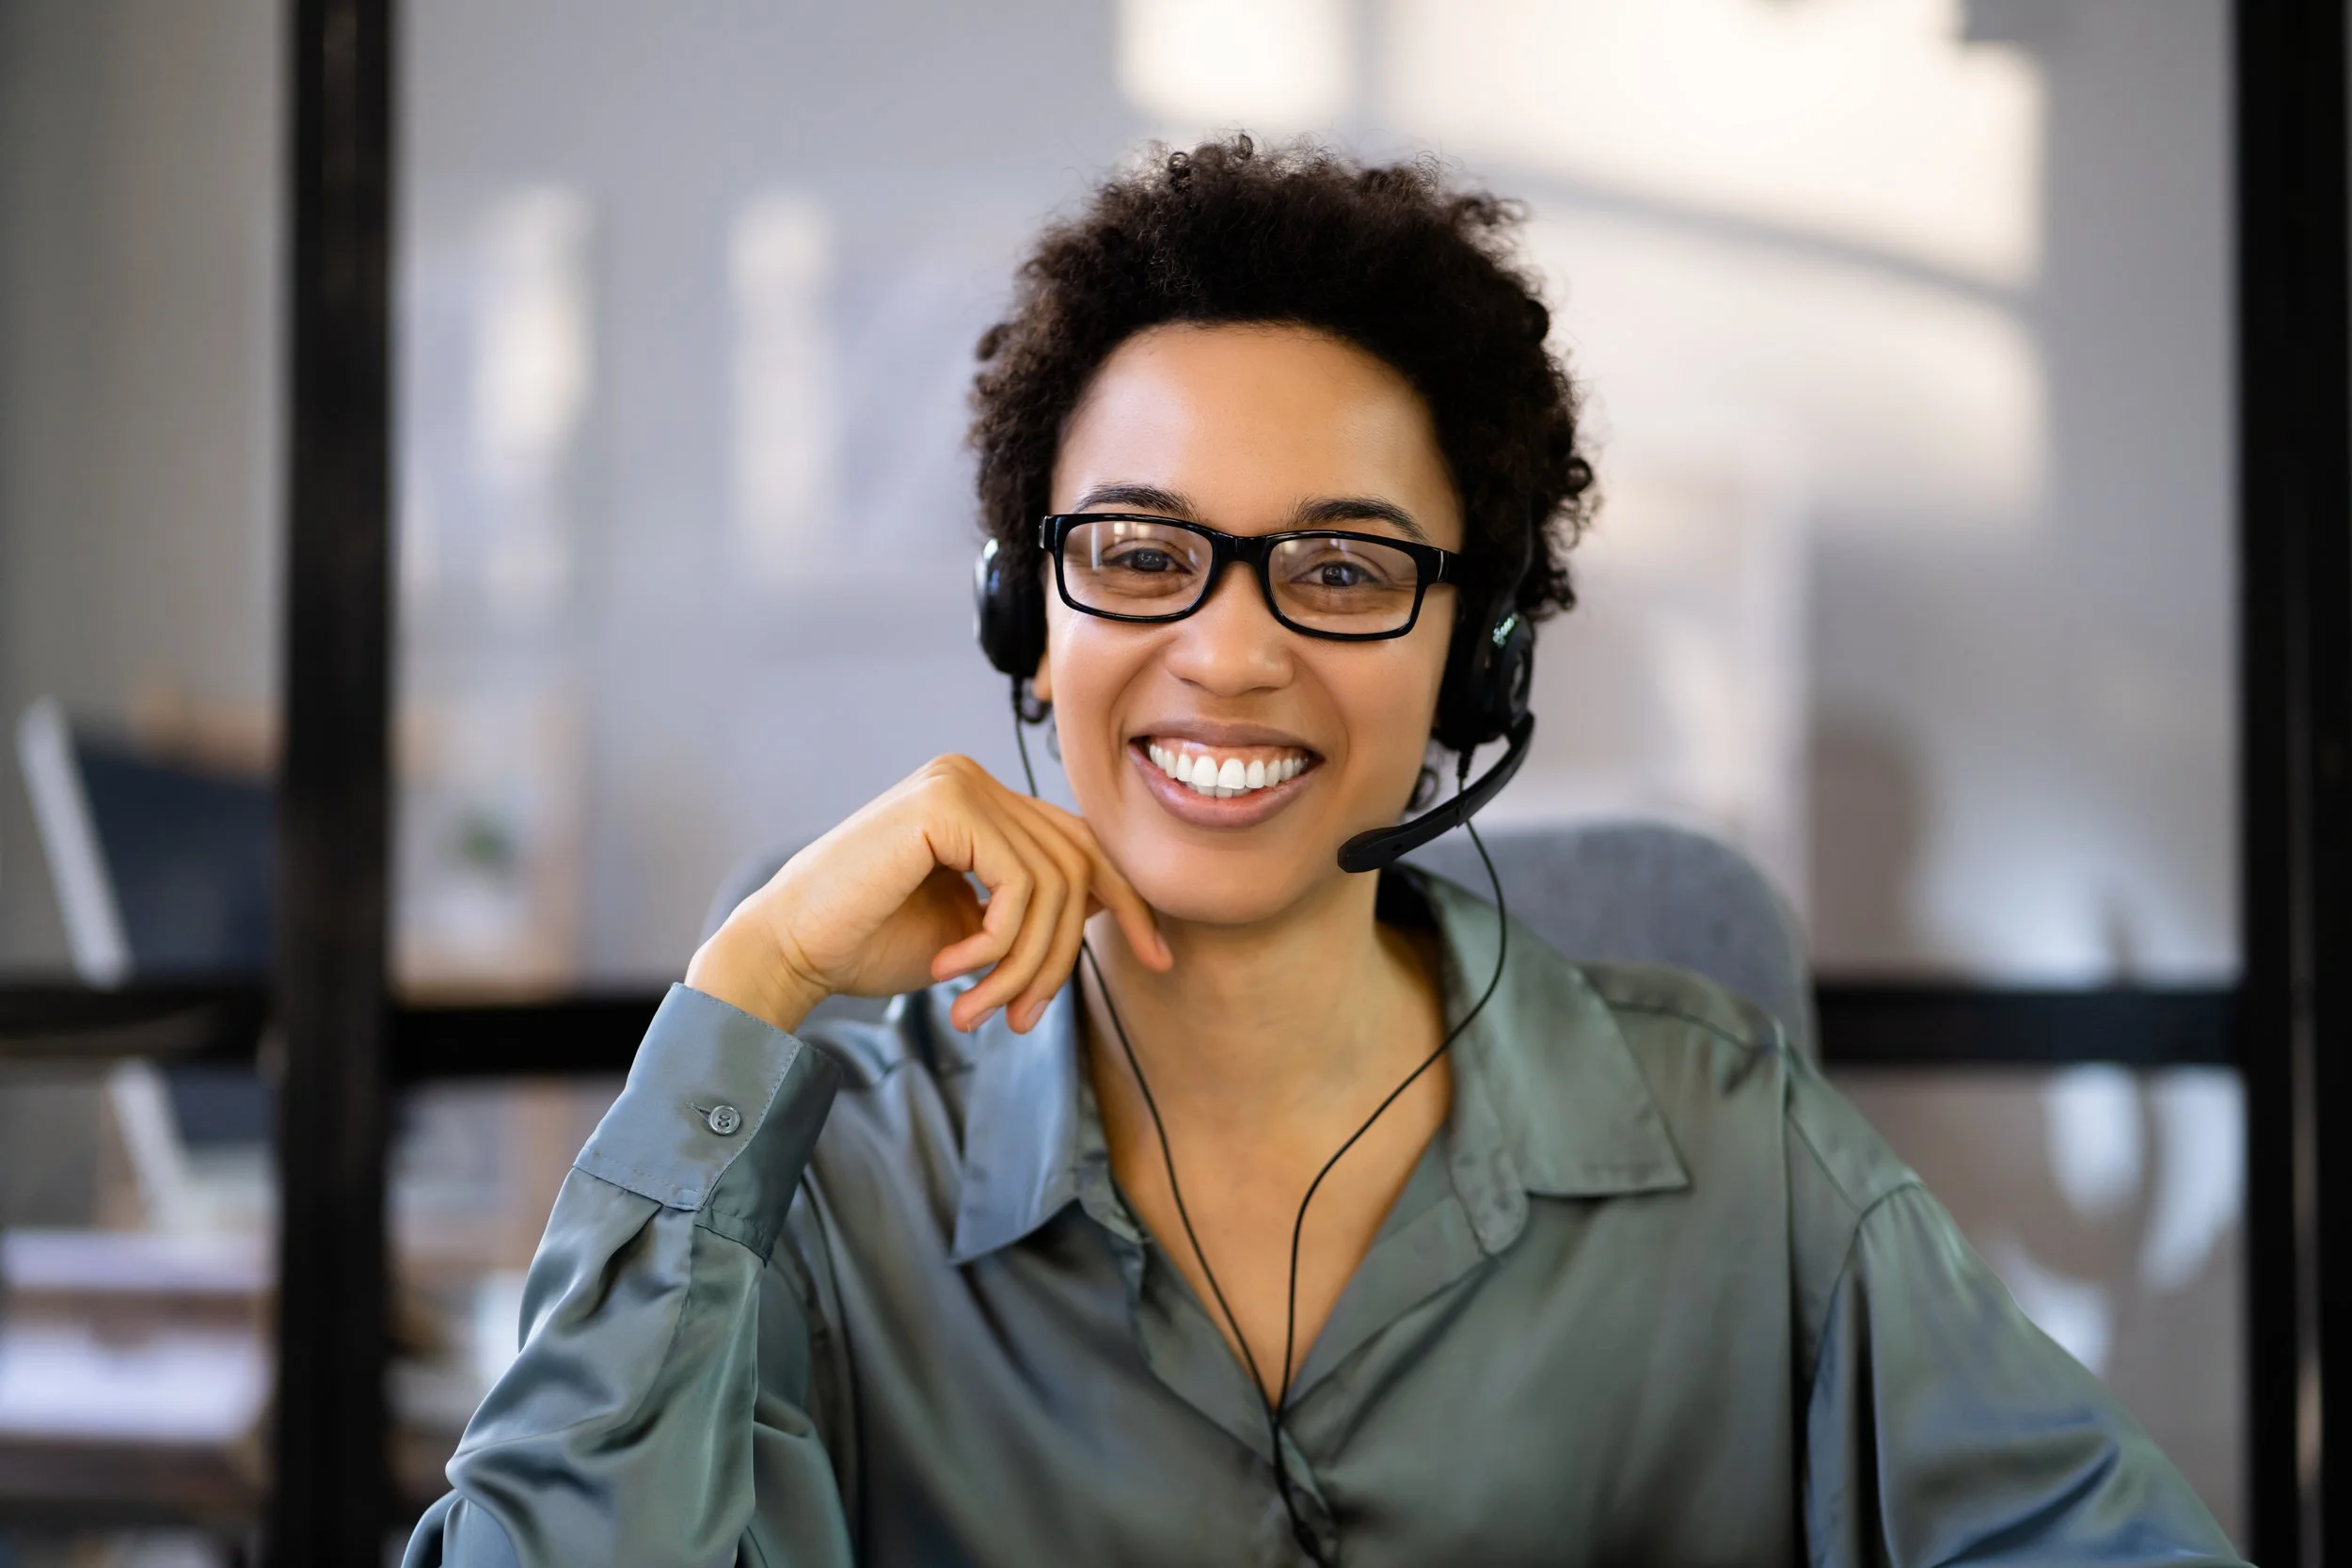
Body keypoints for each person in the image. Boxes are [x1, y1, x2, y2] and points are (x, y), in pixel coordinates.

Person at [405, 138, 2242, 1567]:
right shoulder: (829, 1181)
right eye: (1135, 550)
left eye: (1343, 566)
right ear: (1021, 616)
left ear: (1480, 648)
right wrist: (751, 983)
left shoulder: (1726, 1140)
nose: (1225, 647)